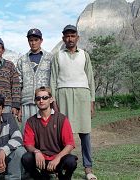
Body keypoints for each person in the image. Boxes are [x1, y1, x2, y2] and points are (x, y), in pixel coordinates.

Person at [50, 25, 97, 180]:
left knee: (85, 134)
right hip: (63, 95)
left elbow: (90, 79)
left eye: (72, 36)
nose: (70, 39)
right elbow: (53, 80)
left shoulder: (85, 55)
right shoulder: (58, 56)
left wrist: (92, 101)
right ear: (63, 38)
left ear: (77, 38)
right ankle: (60, 168)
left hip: (82, 95)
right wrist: (53, 102)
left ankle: (88, 169)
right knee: (62, 134)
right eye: (67, 36)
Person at [22, 86, 77, 180]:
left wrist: (57, 158)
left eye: (45, 98)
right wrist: (37, 151)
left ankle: (63, 177)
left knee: (71, 161)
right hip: (41, 161)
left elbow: (70, 144)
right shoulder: (31, 121)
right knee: (26, 158)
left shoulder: (61, 119)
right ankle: (41, 177)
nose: (41, 101)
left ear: (51, 99)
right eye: (38, 98)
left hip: (58, 160)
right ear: (35, 101)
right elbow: (28, 144)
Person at [16, 28, 54, 130]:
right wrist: (19, 107)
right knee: (27, 133)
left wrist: (52, 103)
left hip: (45, 102)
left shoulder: (50, 58)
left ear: (41, 40)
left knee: (45, 132)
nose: (33, 43)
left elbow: (53, 80)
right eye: (31, 40)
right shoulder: (22, 60)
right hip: (27, 103)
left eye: (36, 40)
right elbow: (19, 84)